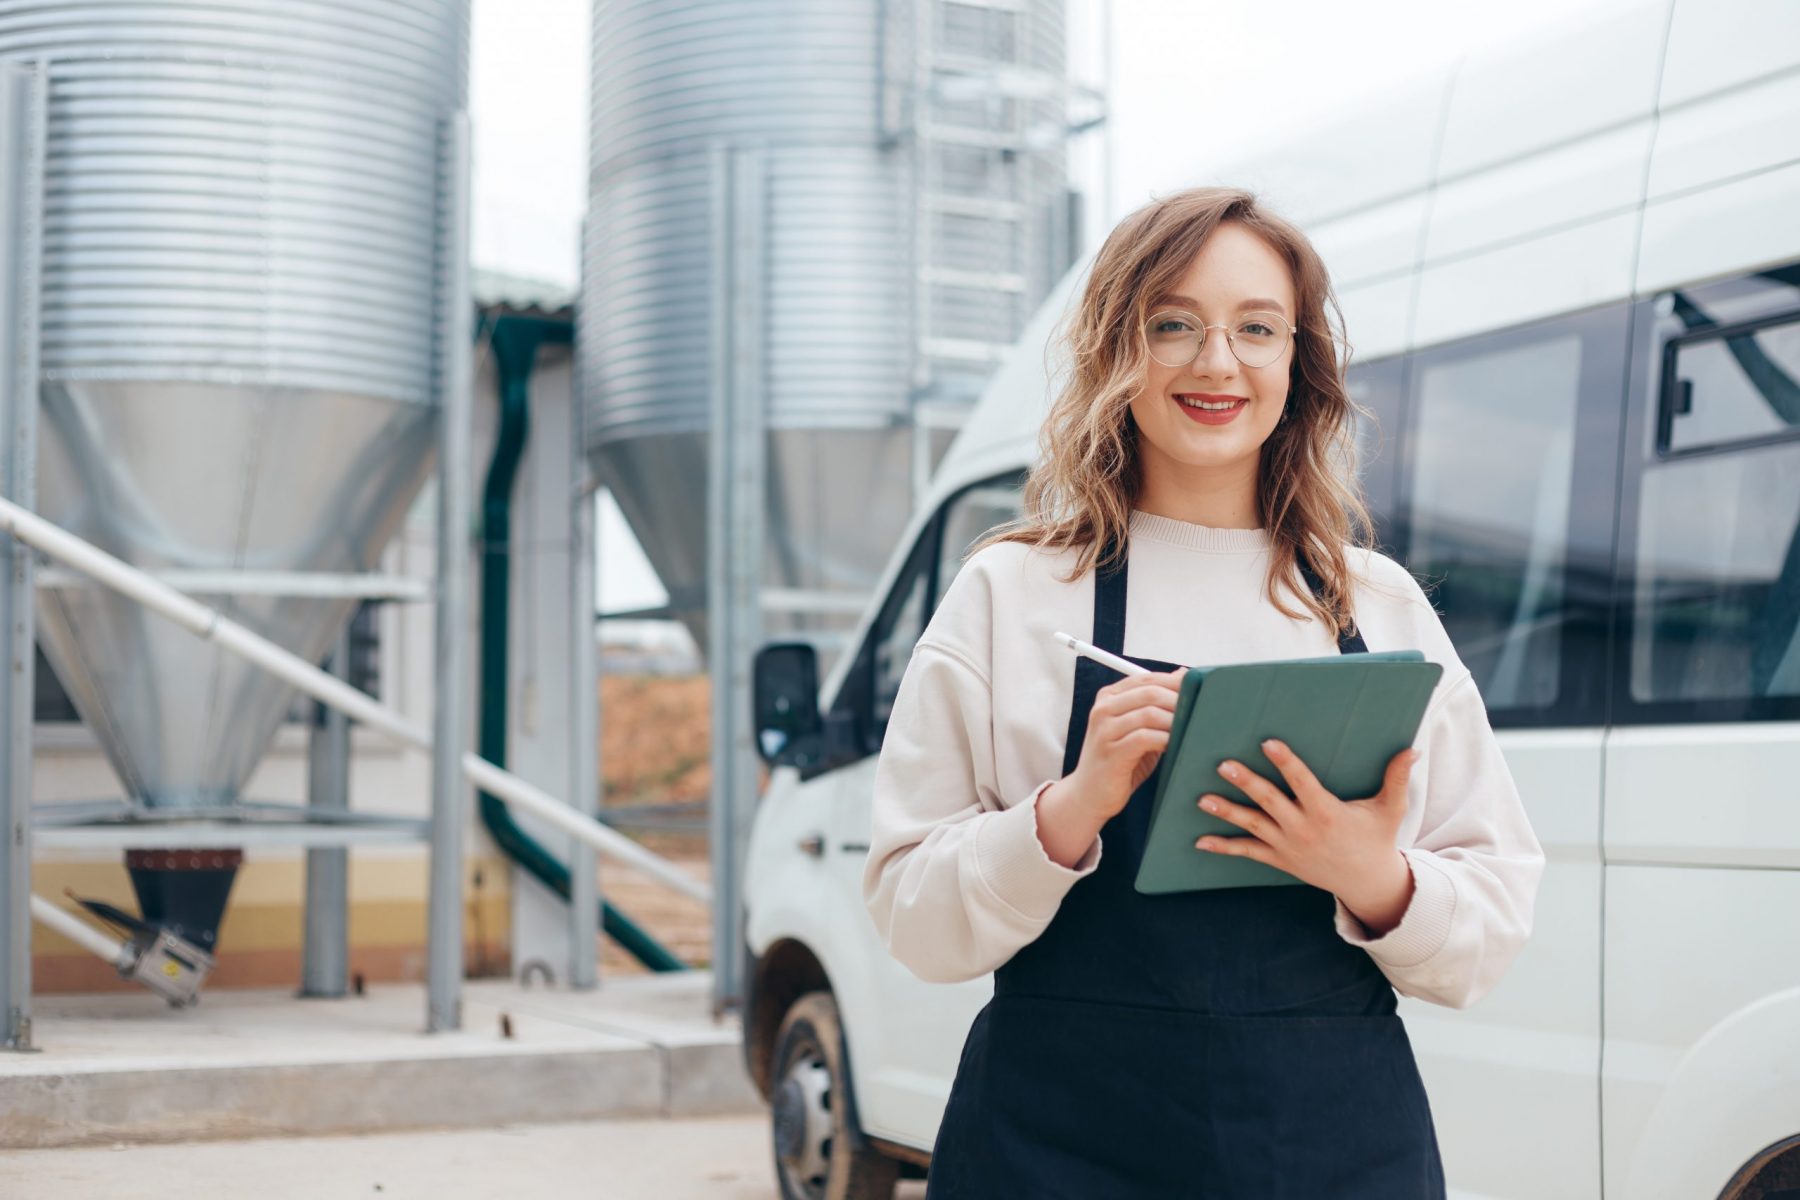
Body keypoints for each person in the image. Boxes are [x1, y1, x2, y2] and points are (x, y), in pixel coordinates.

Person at [861, 185, 1547, 1198]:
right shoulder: (1009, 593)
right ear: (1115, 352)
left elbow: (1488, 929)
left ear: (1296, 364)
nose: (1217, 362)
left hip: (1331, 1145)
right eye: (1173, 324)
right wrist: (1067, 811)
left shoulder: (1378, 607)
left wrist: (1371, 875)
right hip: (1054, 1144)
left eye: (1256, 329)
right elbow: (913, 920)